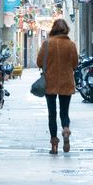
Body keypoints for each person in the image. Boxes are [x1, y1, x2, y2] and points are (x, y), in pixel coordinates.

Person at [36, 19, 79, 154]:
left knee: (52, 113)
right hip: (66, 82)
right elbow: (75, 64)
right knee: (64, 112)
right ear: (66, 29)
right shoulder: (71, 45)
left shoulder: (47, 44)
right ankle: (65, 129)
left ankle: (54, 144)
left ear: (53, 29)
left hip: (50, 83)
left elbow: (38, 62)